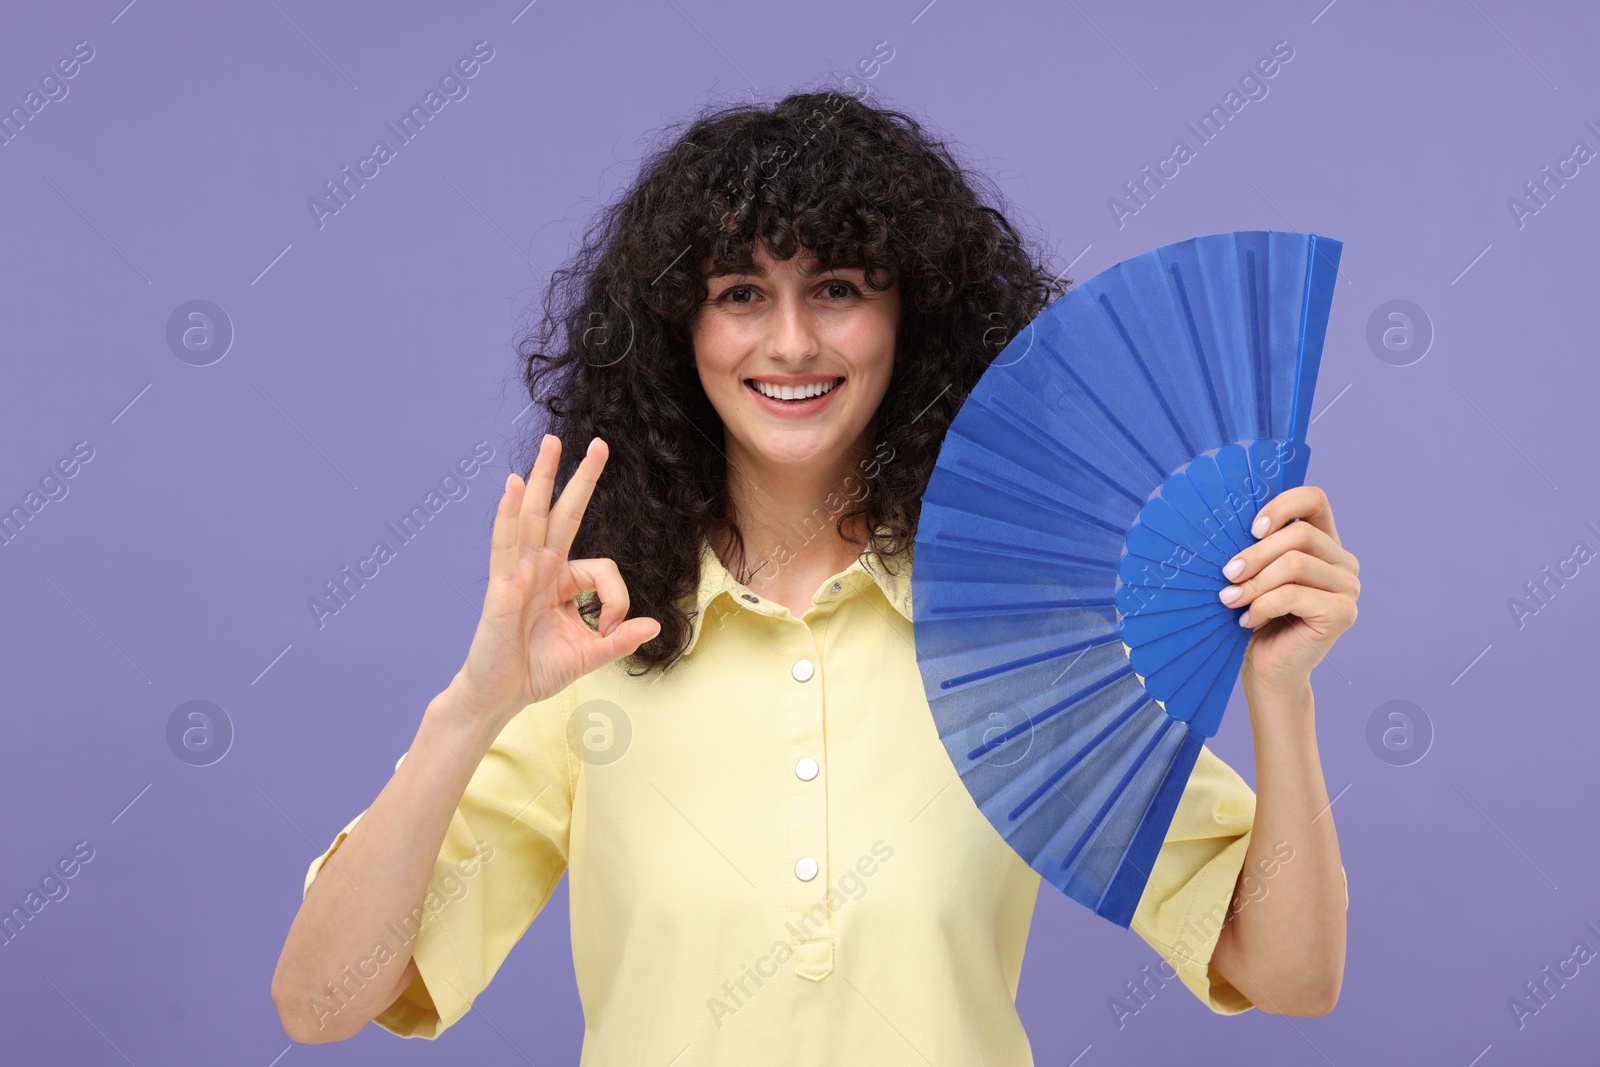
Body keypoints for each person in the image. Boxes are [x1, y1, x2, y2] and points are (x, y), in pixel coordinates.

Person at [271, 88, 1354, 1062]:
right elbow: (322, 1001)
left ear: (911, 317)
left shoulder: (1022, 639)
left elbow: (1288, 971)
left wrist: (1280, 694)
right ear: (676, 330)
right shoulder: (592, 643)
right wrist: (472, 708)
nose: (790, 341)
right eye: (741, 292)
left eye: (835, 287)